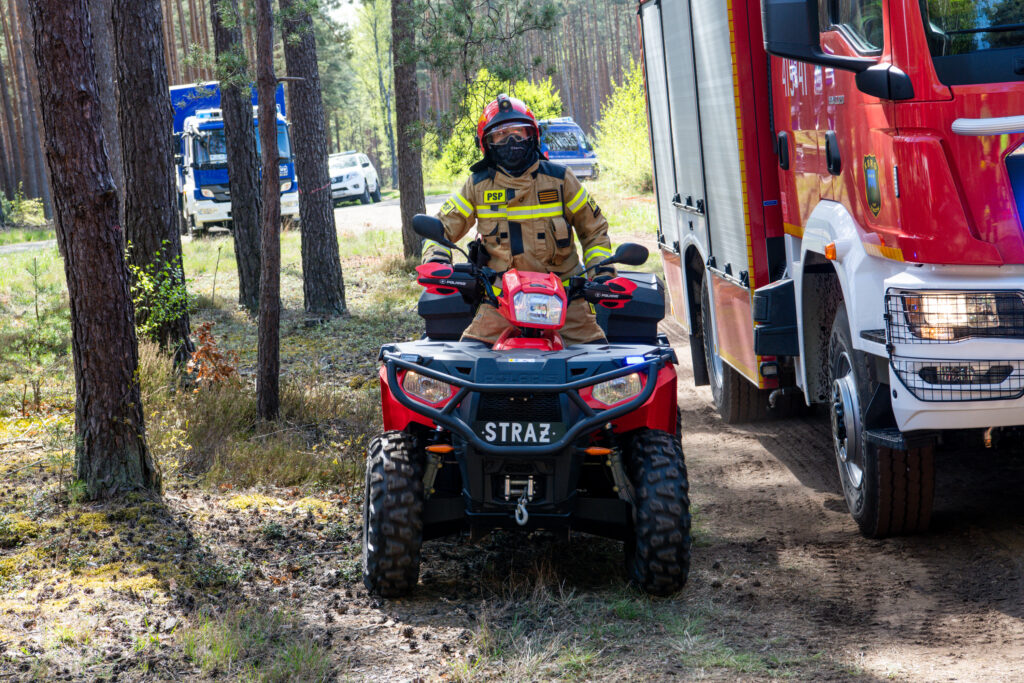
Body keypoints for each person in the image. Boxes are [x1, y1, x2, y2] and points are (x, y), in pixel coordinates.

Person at [423, 94, 615, 346]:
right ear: (487, 144)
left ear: (532, 136)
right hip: (500, 304)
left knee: (600, 367)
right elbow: (441, 228)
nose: (511, 140)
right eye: (501, 135)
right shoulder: (478, 185)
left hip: (566, 304)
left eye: (518, 132)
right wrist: (437, 260)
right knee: (470, 368)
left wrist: (602, 272)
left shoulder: (560, 179)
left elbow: (594, 231)